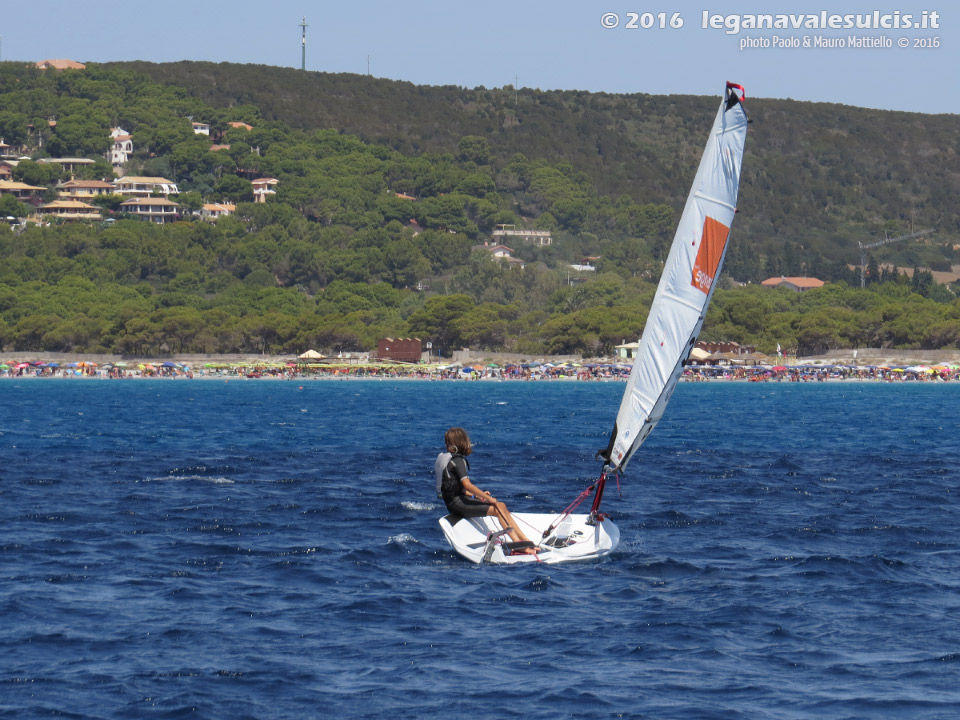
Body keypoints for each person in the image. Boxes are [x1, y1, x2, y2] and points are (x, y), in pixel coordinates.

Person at [439, 427, 538, 554]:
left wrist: (477, 496)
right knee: (497, 509)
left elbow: (458, 489)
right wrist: (489, 499)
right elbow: (467, 485)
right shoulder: (458, 461)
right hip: (457, 505)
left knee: (501, 505)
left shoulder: (454, 460)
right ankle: (519, 545)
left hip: (457, 501)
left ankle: (523, 539)